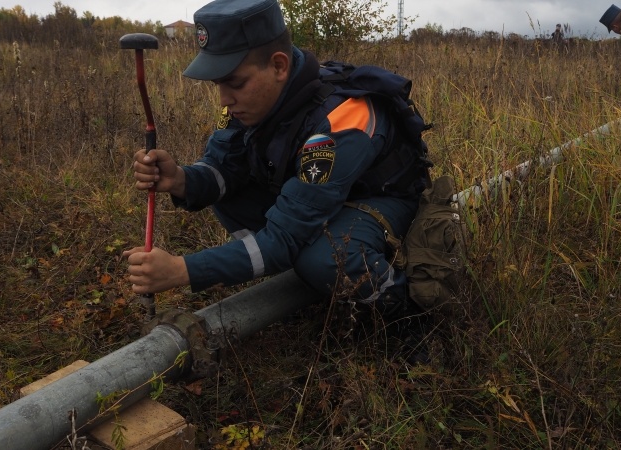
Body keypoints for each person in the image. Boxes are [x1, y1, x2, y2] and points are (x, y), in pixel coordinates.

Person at [122, 0, 431, 362]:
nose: (224, 99)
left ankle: (405, 316)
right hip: (314, 202)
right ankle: (297, 272)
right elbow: (223, 168)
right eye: (219, 84)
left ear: (279, 66)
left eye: (234, 83)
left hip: (379, 202)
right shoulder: (251, 101)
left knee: (326, 257)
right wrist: (180, 179)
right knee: (233, 199)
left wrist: (182, 270)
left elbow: (284, 238)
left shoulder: (343, 120)